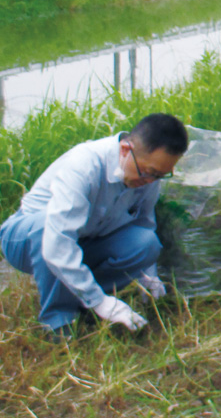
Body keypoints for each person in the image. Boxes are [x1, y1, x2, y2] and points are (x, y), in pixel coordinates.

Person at [0, 113, 189, 337]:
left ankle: (81, 298)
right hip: (27, 237)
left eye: (160, 175)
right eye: (148, 172)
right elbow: (57, 243)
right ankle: (59, 323)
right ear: (125, 150)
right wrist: (100, 301)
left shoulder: (148, 177)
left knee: (145, 243)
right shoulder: (84, 166)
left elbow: (143, 223)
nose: (150, 181)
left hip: (84, 239)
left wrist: (148, 276)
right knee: (47, 228)